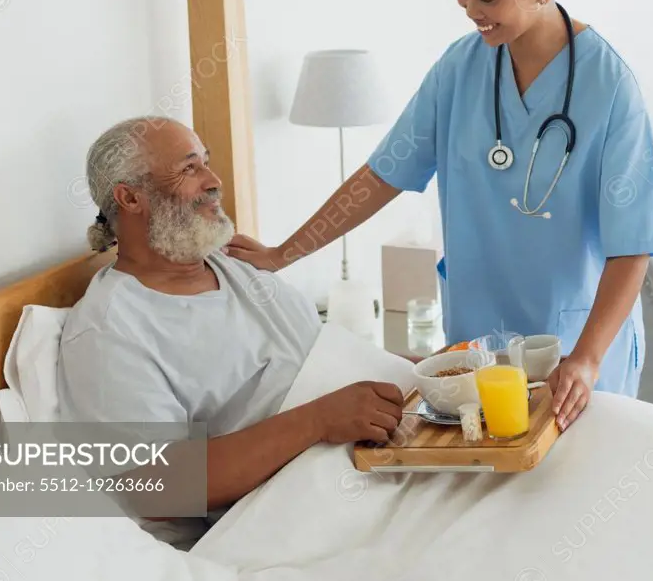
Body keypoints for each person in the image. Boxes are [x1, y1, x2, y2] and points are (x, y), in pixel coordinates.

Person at [225, 0, 653, 432]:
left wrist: (589, 358)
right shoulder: (460, 69)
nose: (470, 9)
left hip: (574, 355)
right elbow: (378, 177)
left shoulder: (609, 86)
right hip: (476, 347)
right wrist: (282, 254)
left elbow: (633, 247)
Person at [56, 116, 406, 547]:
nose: (214, 181)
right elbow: (155, 486)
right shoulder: (109, 330)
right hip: (303, 513)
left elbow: (322, 355)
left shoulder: (236, 265)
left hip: (386, 460)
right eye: (189, 169)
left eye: (206, 162)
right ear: (130, 198)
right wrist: (319, 420)